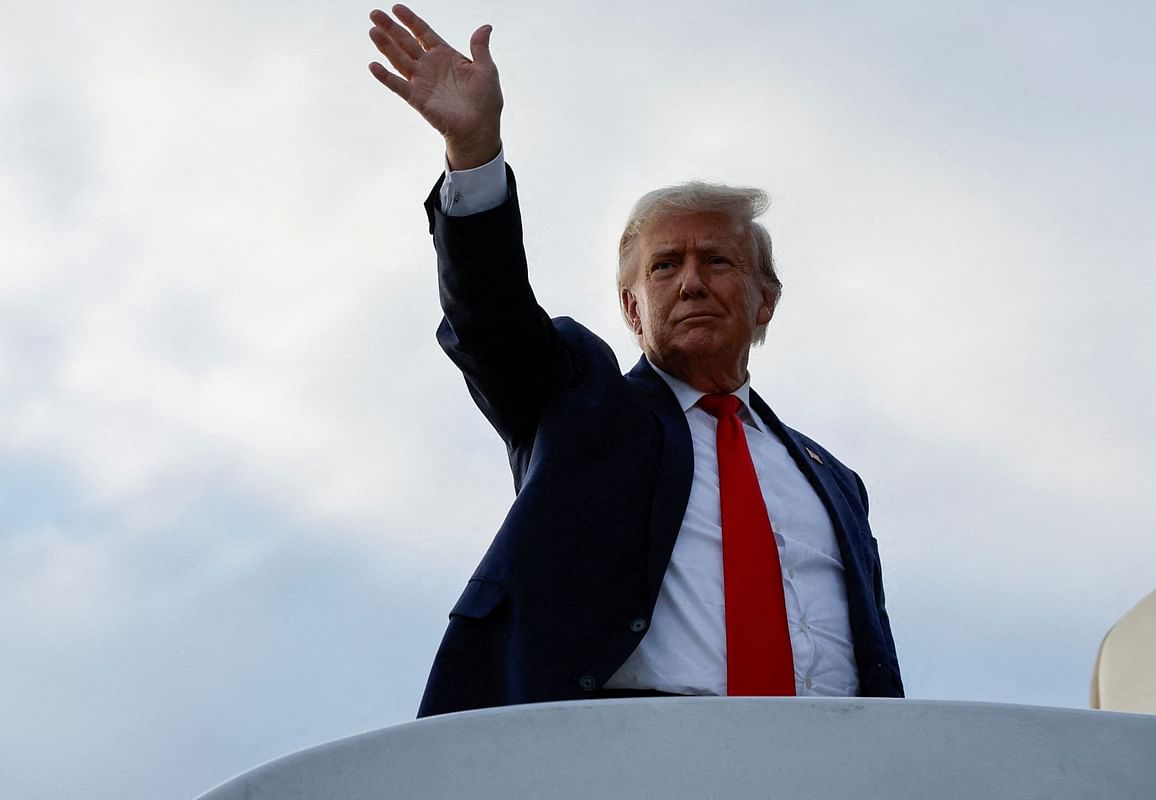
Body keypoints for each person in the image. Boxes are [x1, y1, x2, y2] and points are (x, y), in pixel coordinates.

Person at [368, 5, 903, 717]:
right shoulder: (578, 403)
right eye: (663, 266)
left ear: (763, 301)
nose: (689, 281)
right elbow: (490, 317)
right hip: (632, 761)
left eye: (716, 260)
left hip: (834, 761)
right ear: (631, 311)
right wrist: (475, 152)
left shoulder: (835, 480)